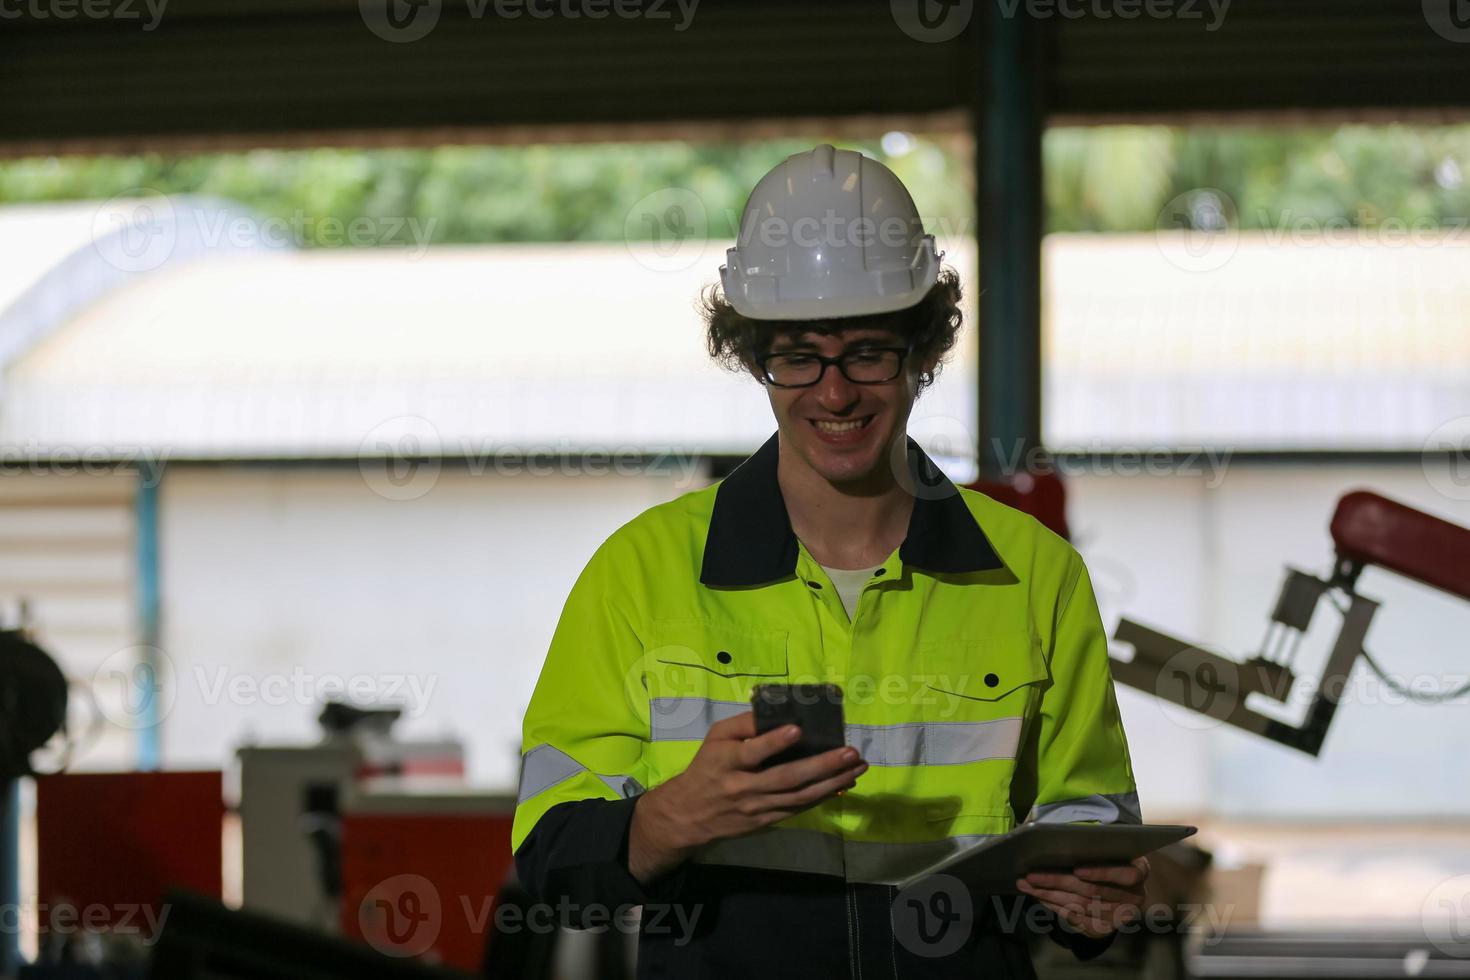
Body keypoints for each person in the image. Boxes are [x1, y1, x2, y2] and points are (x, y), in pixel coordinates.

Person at [512, 144, 1148, 978]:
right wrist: (668, 821)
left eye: (869, 352)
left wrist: (1094, 900)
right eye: (798, 355)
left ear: (922, 350)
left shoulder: (1034, 573)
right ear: (753, 359)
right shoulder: (642, 570)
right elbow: (551, 863)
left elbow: (1092, 818)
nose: (835, 392)